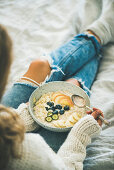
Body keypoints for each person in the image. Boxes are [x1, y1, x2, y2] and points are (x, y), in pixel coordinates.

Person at [0, 24, 104, 170]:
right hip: (27, 153)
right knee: (73, 89)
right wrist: (80, 136)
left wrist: (24, 117)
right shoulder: (31, 152)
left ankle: (98, 35)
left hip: (7, 125)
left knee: (39, 65)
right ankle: (99, 40)